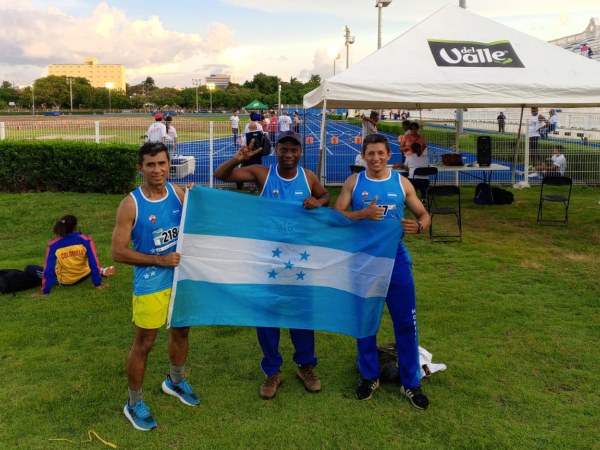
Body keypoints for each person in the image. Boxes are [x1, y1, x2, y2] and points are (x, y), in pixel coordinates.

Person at [214, 130, 330, 400]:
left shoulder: (308, 177)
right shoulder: (262, 174)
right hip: (267, 258)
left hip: (301, 259)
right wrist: (236, 158)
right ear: (276, 151)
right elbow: (221, 175)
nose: (289, 155)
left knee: (301, 313)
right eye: (284, 150)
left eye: (294, 150)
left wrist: (318, 201)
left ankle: (305, 366)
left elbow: (325, 197)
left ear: (301, 152)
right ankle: (272, 371)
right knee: (267, 315)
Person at [332, 133, 431, 409]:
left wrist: (419, 226)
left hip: (395, 261)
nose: (375, 158)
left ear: (390, 156)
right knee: (365, 322)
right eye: (370, 153)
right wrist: (361, 215)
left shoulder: (401, 182)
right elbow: (335, 216)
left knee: (405, 323)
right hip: (362, 262)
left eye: (381, 153)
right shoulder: (354, 182)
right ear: (363, 156)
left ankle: (411, 383)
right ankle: (369, 376)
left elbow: (424, 215)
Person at [112, 142, 199, 431]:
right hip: (151, 284)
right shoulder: (131, 204)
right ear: (141, 169)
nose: (157, 169)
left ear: (168, 164)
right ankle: (134, 403)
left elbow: (199, 221)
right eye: (150, 164)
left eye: (162, 163)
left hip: (181, 279)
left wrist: (200, 199)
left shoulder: (178, 193)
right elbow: (118, 252)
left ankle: (175, 382)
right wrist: (158, 260)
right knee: (144, 344)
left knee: (181, 331)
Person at [29, 215, 114, 298]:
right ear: (75, 227)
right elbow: (94, 263)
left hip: (67, 281)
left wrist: (45, 291)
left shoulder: (54, 244)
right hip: (85, 274)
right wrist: (98, 284)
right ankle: (102, 271)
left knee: (30, 269)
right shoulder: (86, 240)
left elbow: (48, 268)